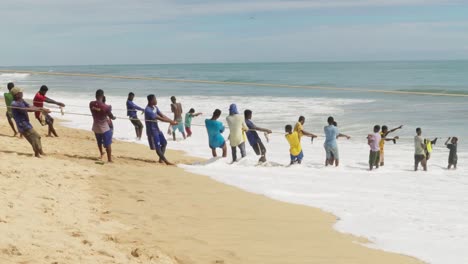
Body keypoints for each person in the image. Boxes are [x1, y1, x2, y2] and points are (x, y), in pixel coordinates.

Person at [10, 87, 49, 157]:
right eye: (20, 92)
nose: (22, 93)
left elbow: (29, 106)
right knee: (35, 137)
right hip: (22, 124)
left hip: (26, 122)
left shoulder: (21, 100)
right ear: (16, 95)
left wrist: (41, 108)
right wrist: (40, 109)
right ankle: (37, 153)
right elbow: (27, 109)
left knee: (36, 137)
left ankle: (40, 151)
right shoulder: (15, 104)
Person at [145, 94, 177, 165]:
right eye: (155, 99)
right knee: (158, 147)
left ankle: (161, 159)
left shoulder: (155, 107)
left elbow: (163, 115)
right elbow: (160, 119)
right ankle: (166, 161)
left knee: (164, 143)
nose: (156, 100)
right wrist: (171, 122)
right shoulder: (148, 110)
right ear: (151, 101)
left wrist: (172, 121)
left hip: (157, 129)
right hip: (152, 131)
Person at [89, 89, 115, 163]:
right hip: (104, 128)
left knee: (99, 141)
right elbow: (111, 116)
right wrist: (114, 117)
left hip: (96, 127)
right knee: (108, 144)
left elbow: (97, 109)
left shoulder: (91, 104)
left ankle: (101, 153)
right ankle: (109, 159)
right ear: (103, 96)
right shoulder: (106, 107)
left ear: (95, 96)